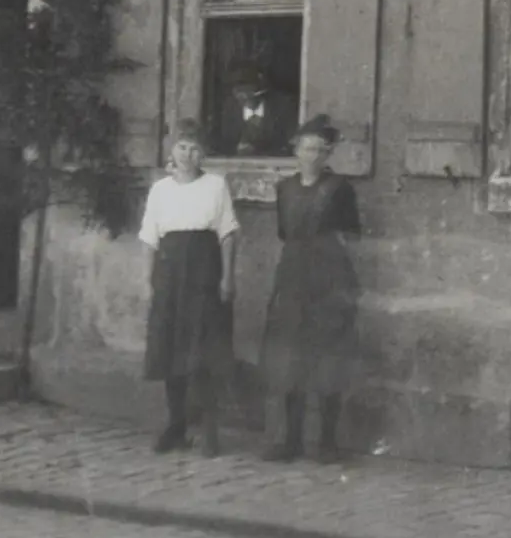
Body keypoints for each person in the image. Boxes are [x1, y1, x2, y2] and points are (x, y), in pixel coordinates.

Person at [259, 115, 363, 463]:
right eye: (306, 148)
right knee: (291, 359)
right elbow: (284, 233)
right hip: (292, 280)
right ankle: (291, 440)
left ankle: (328, 442)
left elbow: (350, 235)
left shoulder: (339, 189)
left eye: (320, 149)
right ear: (296, 151)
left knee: (328, 359)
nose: (312, 155)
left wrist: (341, 284)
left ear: (328, 154)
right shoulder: (284, 189)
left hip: (329, 280)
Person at [138, 119, 240, 457]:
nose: (187, 154)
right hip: (169, 272)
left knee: (205, 348)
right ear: (172, 149)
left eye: (195, 148)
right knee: (171, 348)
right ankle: (176, 426)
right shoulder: (160, 190)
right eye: (182, 147)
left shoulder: (215, 185)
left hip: (204, 271)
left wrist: (227, 277)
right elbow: (150, 240)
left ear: (204, 154)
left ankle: (210, 429)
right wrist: (148, 281)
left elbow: (227, 234)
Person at [222, 65, 298, 158]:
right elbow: (222, 145)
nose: (245, 96)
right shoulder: (228, 111)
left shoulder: (283, 108)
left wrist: (258, 151)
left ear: (261, 89)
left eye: (249, 90)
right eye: (239, 92)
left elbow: (291, 145)